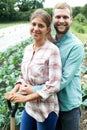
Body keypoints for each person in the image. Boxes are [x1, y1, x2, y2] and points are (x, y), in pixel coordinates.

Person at [29, 2, 84, 130]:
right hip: (49, 105)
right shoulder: (49, 43)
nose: (61, 21)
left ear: (71, 19)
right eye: (58, 17)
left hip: (67, 106)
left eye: (65, 17)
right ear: (52, 19)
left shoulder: (76, 46)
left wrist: (34, 90)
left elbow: (63, 80)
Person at [5, 9, 62, 130]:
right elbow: (22, 76)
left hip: (46, 110)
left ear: (47, 29)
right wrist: (14, 91)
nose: (36, 28)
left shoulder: (52, 50)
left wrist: (25, 98)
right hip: (30, 108)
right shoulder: (27, 49)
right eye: (34, 24)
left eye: (41, 26)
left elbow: (54, 85)